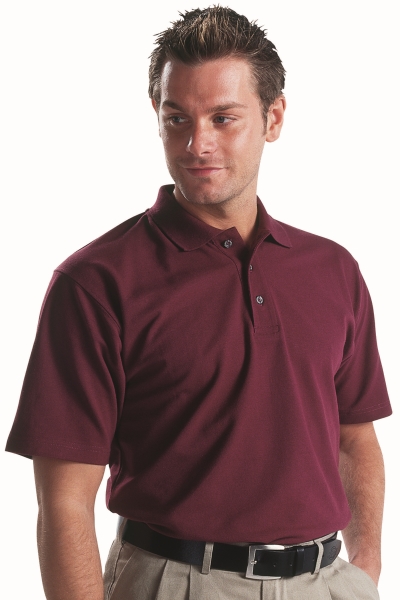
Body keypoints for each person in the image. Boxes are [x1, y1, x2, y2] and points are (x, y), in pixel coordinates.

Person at [6, 6, 392, 600]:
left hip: (328, 582)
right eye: (176, 118)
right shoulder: (95, 283)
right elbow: (63, 503)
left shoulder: (333, 269)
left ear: (273, 117)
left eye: (223, 118)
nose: (197, 143)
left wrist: (364, 570)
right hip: (178, 583)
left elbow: (354, 437)